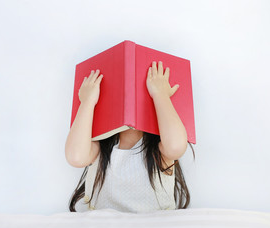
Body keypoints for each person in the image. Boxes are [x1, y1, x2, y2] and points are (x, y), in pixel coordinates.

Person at [65, 61, 195, 212]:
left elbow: (176, 146)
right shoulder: (101, 147)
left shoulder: (159, 149)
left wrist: (160, 95)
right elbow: (75, 157)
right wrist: (87, 101)